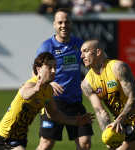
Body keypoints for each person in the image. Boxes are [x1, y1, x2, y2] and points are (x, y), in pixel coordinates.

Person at [0, 52, 93, 150]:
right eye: (49, 67)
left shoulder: (48, 90)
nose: (54, 70)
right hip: (4, 137)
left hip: (20, 138)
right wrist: (35, 89)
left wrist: (76, 121)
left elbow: (54, 114)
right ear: (39, 69)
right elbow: (24, 94)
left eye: (55, 67)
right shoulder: (31, 84)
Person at [36, 8, 94, 150]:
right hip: (53, 102)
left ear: (71, 23)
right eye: (60, 22)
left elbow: (92, 64)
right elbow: (36, 73)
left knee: (84, 143)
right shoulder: (47, 46)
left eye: (66, 22)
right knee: (46, 144)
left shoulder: (79, 44)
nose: (63, 25)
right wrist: (50, 83)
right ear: (54, 24)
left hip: (75, 102)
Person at [80, 39, 135, 150]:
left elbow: (133, 98)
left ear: (98, 52)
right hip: (117, 125)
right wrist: (107, 133)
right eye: (81, 52)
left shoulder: (118, 67)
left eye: (86, 51)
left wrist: (119, 120)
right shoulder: (86, 83)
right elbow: (100, 111)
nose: (82, 56)